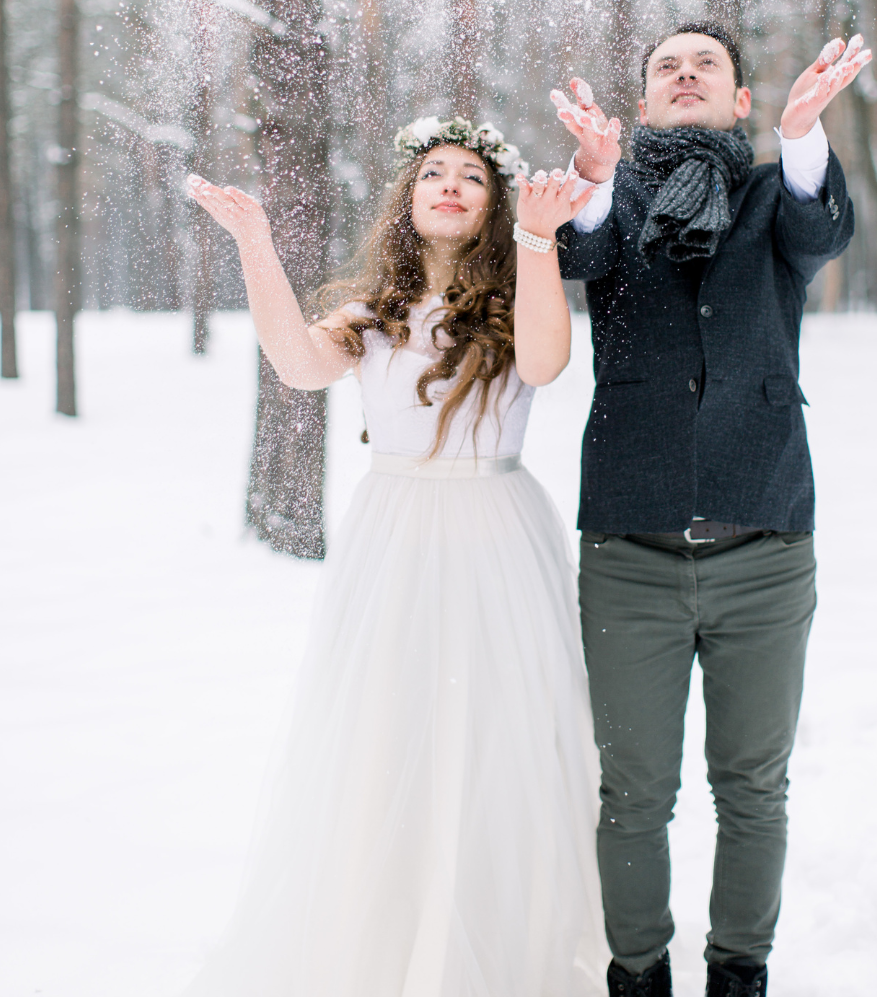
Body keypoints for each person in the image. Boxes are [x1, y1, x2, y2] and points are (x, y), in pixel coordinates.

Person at [182, 116, 607, 997]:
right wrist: (256, 245)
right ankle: (391, 943)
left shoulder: (521, 286)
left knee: (501, 735)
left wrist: (537, 239)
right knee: (389, 727)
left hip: (496, 528)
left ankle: (502, 939)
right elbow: (298, 366)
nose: (449, 185)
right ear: (407, 204)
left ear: (493, 207)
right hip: (395, 534)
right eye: (431, 174)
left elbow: (546, 358)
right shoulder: (370, 314)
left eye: (472, 177)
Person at [548, 24, 872, 997]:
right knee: (636, 793)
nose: (684, 74)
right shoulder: (615, 195)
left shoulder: (780, 197)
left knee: (753, 790)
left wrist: (804, 134)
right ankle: (637, 974)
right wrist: (596, 172)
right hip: (629, 550)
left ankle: (740, 975)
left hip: (765, 546)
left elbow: (824, 230)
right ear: (643, 105)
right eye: (664, 66)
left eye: (707, 65)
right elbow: (583, 247)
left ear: (739, 102)